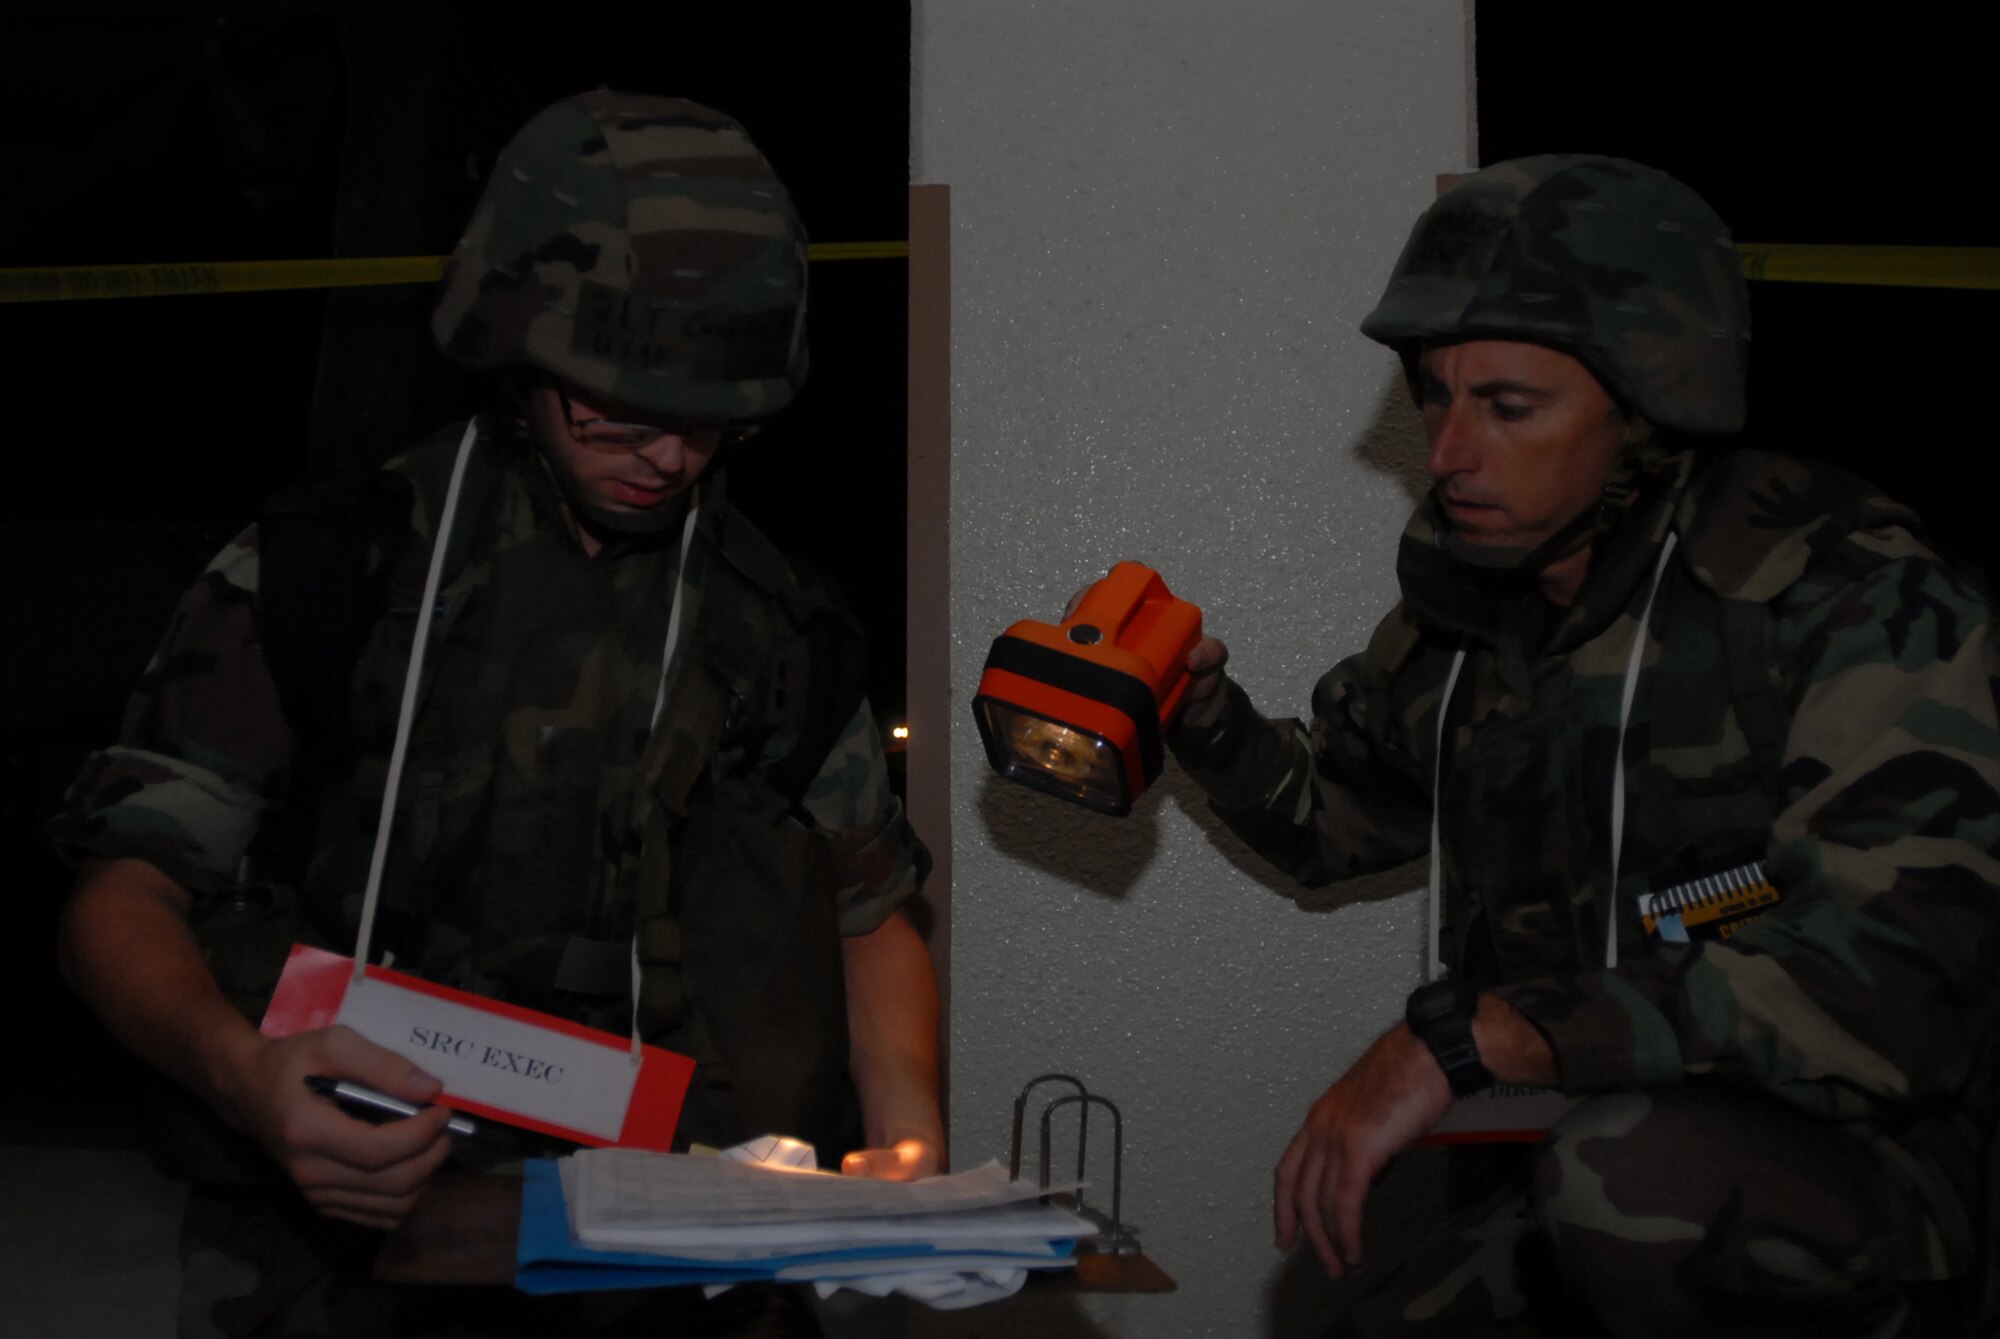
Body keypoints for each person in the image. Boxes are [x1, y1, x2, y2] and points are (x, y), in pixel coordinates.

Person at [53, 91, 941, 1337]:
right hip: (338, 1258)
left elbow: (868, 916)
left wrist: (904, 1146)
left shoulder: (776, 626)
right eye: (614, 413)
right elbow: (123, 893)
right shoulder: (328, 572)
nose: (666, 460)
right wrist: (241, 1071)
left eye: (707, 424)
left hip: (674, 1262)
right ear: (521, 356)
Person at [1167, 156, 1998, 1335]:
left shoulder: (1849, 597)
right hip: (1596, 1174)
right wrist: (1198, 718)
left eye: (1506, 406)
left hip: (1881, 1186)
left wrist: (1480, 1035)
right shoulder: (1472, 614)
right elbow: (1330, 817)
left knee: (1621, 1175)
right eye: (1434, 396)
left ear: (1646, 406)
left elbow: (1895, 983)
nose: (1448, 450)